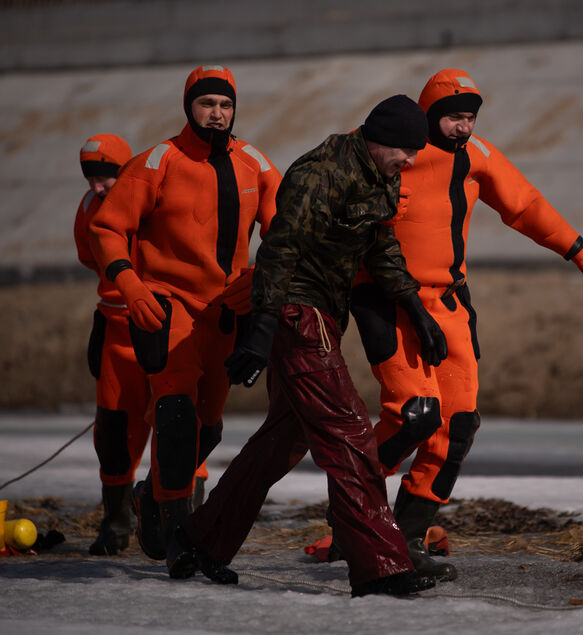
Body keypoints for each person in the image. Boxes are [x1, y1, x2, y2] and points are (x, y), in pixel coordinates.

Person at [349, 69, 583, 581]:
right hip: (386, 301)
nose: (463, 127)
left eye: (470, 117)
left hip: (449, 303)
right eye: (454, 116)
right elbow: (328, 210)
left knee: (457, 427)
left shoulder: (476, 158)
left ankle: (405, 539)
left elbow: (527, 204)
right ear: (429, 114)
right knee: (414, 415)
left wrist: (580, 253)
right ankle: (352, 508)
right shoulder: (385, 152)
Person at [168, 95, 446, 598]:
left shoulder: (382, 174)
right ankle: (381, 567)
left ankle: (197, 539)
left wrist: (415, 307)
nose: (410, 161)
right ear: (379, 138)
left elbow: (380, 245)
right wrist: (261, 330)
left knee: (282, 441)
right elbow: (279, 251)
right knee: (350, 433)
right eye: (405, 151)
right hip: (297, 313)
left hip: (322, 316)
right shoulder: (320, 173)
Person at [89, 65, 281, 559]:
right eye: (206, 104)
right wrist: (130, 285)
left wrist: (260, 280)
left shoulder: (255, 163)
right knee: (175, 413)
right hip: (166, 305)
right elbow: (107, 228)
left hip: (225, 312)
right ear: (188, 107)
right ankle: (180, 535)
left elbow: (286, 233)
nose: (216, 114)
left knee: (208, 427)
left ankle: (151, 497)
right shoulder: (157, 162)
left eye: (225, 105)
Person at [75, 133, 147, 555]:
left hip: (163, 326)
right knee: (113, 432)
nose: (98, 187)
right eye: (91, 179)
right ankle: (117, 523)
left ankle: (184, 523)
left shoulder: (151, 200)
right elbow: (89, 257)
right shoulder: (87, 208)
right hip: (114, 328)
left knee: (180, 425)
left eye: (107, 177)